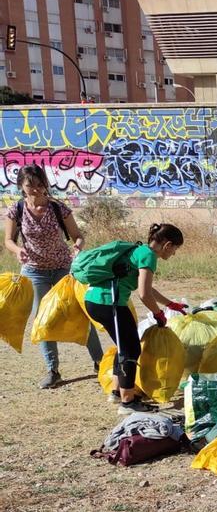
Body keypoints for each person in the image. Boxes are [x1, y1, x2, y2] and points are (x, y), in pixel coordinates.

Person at [4, 164, 105, 388]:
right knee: (43, 319)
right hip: (33, 271)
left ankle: (100, 362)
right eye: (31, 186)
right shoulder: (16, 210)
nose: (36, 190)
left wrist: (78, 247)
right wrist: (18, 250)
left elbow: (78, 236)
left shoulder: (59, 208)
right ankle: (53, 370)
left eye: (40, 185)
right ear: (21, 186)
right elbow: (8, 240)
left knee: (80, 313)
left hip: (63, 269)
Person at [83, 223, 187, 415]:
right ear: (167, 245)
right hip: (109, 302)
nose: (173, 254)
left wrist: (170, 304)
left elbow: (147, 288)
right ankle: (128, 401)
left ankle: (117, 392)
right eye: (175, 249)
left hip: (99, 301)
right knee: (131, 349)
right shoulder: (149, 256)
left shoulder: (141, 251)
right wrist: (158, 314)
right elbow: (144, 293)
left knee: (125, 346)